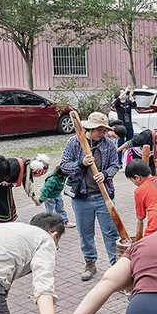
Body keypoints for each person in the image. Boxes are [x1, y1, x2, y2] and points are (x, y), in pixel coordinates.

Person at [61, 112, 121, 281]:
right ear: (89, 128)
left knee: (111, 233)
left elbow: (115, 165)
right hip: (82, 198)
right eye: (98, 130)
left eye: (104, 130)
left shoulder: (109, 144)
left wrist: (106, 174)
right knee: (85, 233)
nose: (102, 133)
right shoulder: (74, 142)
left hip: (104, 196)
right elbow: (64, 166)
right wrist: (81, 164)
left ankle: (116, 266)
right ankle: (90, 263)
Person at [0, 154, 49, 224]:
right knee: (2, 211)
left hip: (5, 189)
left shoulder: (26, 166)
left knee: (8, 210)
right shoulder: (15, 167)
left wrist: (34, 198)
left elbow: (26, 181)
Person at [113, 87, 137, 163]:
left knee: (130, 144)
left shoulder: (128, 102)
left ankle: (129, 161)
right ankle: (119, 162)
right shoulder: (117, 103)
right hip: (121, 126)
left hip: (129, 126)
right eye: (121, 93)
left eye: (124, 93)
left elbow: (135, 105)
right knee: (120, 144)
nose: (123, 94)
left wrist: (130, 96)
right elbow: (115, 102)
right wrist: (124, 92)